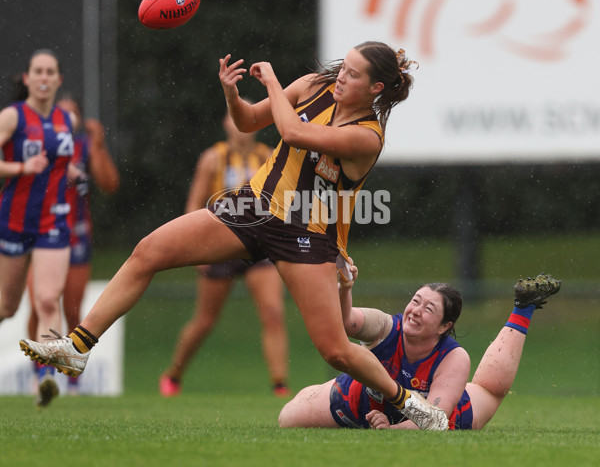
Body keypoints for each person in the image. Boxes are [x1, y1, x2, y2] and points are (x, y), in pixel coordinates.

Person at [19, 41, 446, 427]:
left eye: (353, 75)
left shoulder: (367, 137)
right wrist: (232, 93)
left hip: (306, 233)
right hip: (250, 206)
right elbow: (247, 122)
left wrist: (275, 82)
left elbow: (293, 132)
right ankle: (78, 346)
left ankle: (408, 402)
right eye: (344, 67)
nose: (341, 77)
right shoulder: (318, 84)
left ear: (375, 89)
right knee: (148, 251)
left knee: (335, 349)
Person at [278, 261, 561, 430]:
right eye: (415, 300)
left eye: (429, 308)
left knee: (489, 390)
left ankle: (523, 309)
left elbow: (435, 420)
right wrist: (345, 289)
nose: (415, 310)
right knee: (286, 419)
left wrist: (392, 431)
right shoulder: (385, 326)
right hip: (355, 403)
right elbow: (344, 322)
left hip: (436, 411)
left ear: (444, 326)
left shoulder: (453, 357)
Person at [159, 112, 290, 397]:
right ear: (226, 124)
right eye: (234, 118)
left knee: (272, 313)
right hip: (219, 245)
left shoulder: (268, 155)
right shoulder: (213, 158)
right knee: (205, 320)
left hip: (259, 245)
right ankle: (173, 375)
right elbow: (194, 204)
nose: (241, 125)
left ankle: (280, 384)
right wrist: (198, 248)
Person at [0, 49, 80, 407]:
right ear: (27, 78)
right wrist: (20, 169)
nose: (44, 77)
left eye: (51, 71)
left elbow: (62, 163)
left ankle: (45, 377)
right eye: (38, 71)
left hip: (53, 222)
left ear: (59, 79)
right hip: (14, 220)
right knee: (6, 307)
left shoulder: (68, 120)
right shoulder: (12, 117)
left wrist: (71, 172)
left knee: (48, 299)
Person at [26, 94, 120, 394]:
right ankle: (39, 373)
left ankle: (73, 379)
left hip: (75, 236)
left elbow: (110, 184)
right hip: (41, 233)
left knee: (73, 310)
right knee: (39, 305)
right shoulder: (39, 143)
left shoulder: (82, 146)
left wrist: (99, 143)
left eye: (72, 113)